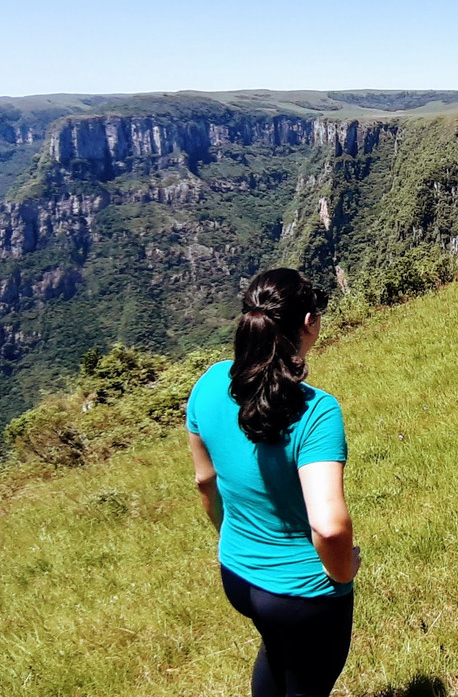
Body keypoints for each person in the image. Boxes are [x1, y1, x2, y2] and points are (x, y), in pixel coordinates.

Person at [186, 268, 361, 697]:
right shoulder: (315, 412)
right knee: (307, 684)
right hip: (302, 592)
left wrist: (232, 538)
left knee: (277, 653)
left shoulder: (209, 383)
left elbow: (205, 483)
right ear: (309, 323)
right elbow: (329, 526)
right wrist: (342, 573)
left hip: (238, 576)